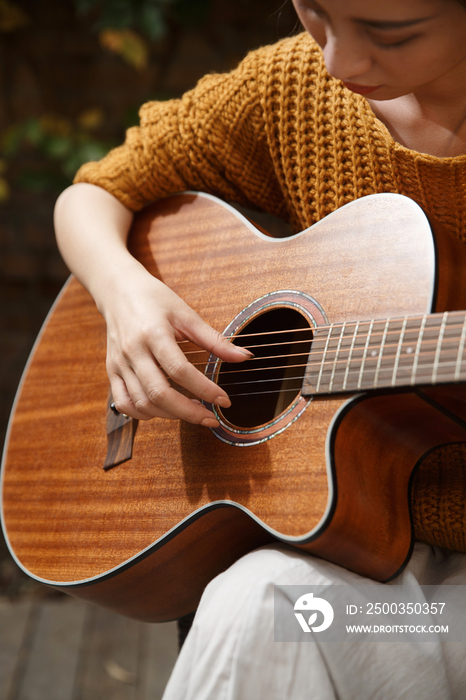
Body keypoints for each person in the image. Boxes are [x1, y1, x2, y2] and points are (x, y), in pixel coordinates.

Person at [54, 0, 466, 696]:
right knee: (258, 610)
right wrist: (125, 296)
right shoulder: (296, 90)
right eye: (313, 11)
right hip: (372, 583)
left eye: (390, 34)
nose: (339, 60)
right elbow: (95, 193)